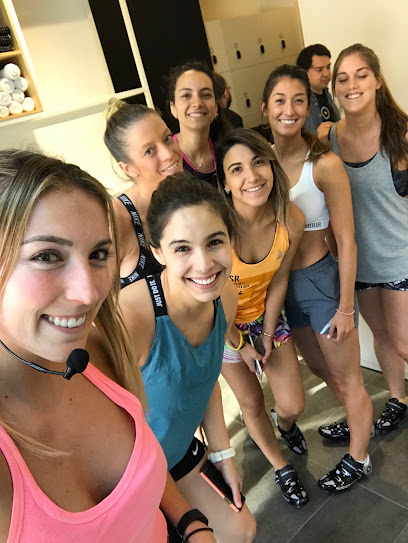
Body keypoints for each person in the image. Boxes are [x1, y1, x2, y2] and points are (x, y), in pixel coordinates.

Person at [0, 150, 216, 542]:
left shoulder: (98, 352)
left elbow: (140, 460)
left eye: (98, 254)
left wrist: (190, 522)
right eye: (46, 256)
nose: (88, 293)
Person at [119, 173, 256, 543]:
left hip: (177, 453)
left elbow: (204, 379)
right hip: (128, 473)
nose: (204, 264)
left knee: (241, 530)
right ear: (158, 252)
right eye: (182, 248)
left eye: (215, 242)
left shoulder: (225, 297)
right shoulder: (133, 316)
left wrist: (223, 454)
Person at [261, 64, 374, 492]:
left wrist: (345, 306)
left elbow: (347, 240)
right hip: (282, 288)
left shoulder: (324, 164)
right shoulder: (260, 162)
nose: (289, 110)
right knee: (320, 369)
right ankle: (358, 421)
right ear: (264, 107)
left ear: (309, 106)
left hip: (322, 283)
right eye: (280, 101)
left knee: (349, 378)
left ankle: (359, 458)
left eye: (299, 101)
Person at [215, 128, 308, 507]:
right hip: (222, 327)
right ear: (225, 183)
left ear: (272, 166)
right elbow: (209, 301)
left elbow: (280, 279)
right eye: (236, 169)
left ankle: (283, 425)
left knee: (293, 404)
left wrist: (267, 335)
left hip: (265, 318)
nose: (251, 176)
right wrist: (241, 345)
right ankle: (281, 467)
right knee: (251, 404)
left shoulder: (291, 219)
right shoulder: (217, 229)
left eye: (258, 162)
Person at [323, 44, 408, 433]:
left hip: (400, 258)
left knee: (404, 341)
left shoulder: (400, 134)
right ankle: (398, 398)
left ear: (377, 80)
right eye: (342, 78)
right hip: (358, 263)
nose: (351, 85)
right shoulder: (328, 138)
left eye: (361, 75)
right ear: (334, 88)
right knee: (383, 337)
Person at [104, 100, 183, 288]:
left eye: (167, 138)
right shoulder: (115, 222)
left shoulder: (186, 198)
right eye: (149, 151)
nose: (168, 154)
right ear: (128, 168)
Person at [167, 61, 226, 188]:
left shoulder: (227, 152)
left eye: (206, 95)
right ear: (173, 108)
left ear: (216, 107)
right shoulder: (166, 159)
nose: (197, 103)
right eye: (186, 95)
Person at [296, 44, 340, 137]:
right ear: (304, 72)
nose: (326, 74)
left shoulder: (326, 94)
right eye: (319, 70)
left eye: (328, 67)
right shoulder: (299, 103)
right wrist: (317, 136)